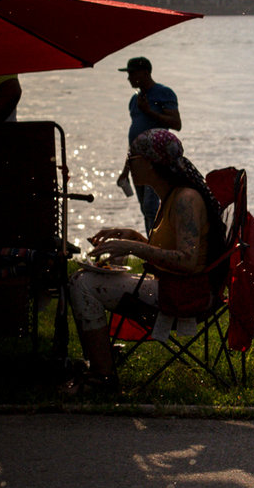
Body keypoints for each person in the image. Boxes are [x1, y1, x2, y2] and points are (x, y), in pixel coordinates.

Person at [66, 129, 225, 392]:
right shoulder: (171, 196)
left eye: (132, 158)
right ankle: (101, 358)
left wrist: (133, 247)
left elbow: (187, 261)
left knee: (82, 284)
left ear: (152, 162)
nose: (128, 165)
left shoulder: (185, 199)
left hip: (185, 294)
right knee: (81, 278)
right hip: (173, 285)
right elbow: (169, 251)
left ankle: (102, 375)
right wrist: (133, 237)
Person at [121, 56, 181, 229]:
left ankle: (159, 243)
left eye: (132, 73)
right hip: (137, 161)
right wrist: (126, 169)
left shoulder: (164, 93)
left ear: (145, 73)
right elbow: (134, 137)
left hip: (156, 161)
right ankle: (152, 241)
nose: (129, 78)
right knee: (145, 208)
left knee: (151, 207)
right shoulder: (135, 100)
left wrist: (149, 111)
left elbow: (176, 124)